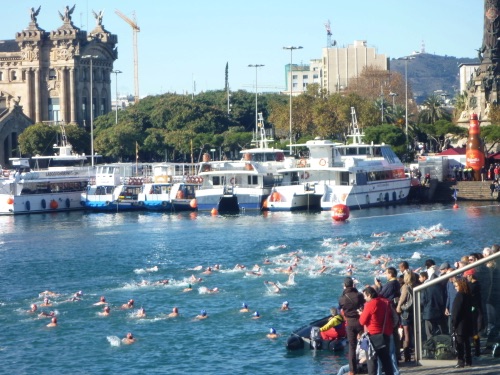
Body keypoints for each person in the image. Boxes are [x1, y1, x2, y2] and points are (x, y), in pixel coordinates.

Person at [358, 286, 394, 375]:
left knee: (372, 362)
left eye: (365, 296)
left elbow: (362, 321)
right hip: (385, 334)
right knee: (386, 361)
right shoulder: (385, 303)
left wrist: (361, 313)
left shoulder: (370, 304)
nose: (364, 299)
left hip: (372, 336)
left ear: (369, 295)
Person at [339, 276, 365, 375]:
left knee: (352, 347)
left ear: (345, 286)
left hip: (349, 323)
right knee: (366, 343)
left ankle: (352, 371)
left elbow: (340, 308)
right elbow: (363, 305)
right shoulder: (359, 295)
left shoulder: (342, 298)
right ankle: (370, 364)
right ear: (353, 285)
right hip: (360, 321)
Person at [452, 278, 473, 368]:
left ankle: (461, 361)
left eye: (456, 286)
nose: (455, 288)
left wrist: (453, 323)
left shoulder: (459, 295)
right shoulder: (468, 295)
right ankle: (468, 360)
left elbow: (456, 312)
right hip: (468, 322)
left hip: (460, 324)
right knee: (467, 343)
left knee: (459, 343)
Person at [396, 271, 416, 362]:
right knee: (415, 333)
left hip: (406, 312)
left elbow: (403, 298)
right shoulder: (415, 285)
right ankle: (416, 353)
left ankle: (407, 355)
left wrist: (398, 306)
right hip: (414, 311)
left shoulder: (405, 286)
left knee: (406, 334)